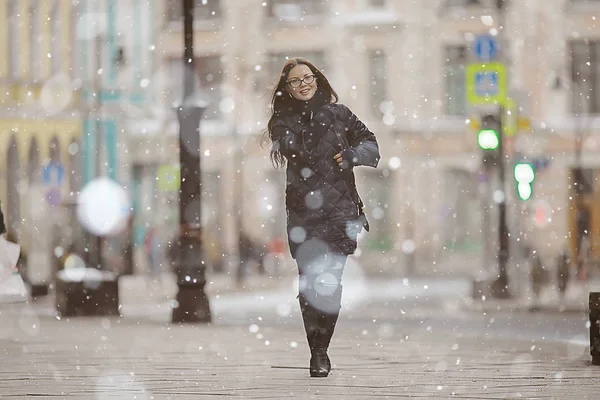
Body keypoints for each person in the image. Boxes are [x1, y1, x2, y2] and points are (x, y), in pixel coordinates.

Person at [264, 57, 380, 377]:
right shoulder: (284, 121)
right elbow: (299, 150)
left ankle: (320, 350)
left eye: (308, 78)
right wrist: (316, 113)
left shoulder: (340, 114)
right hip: (305, 216)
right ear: (287, 90)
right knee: (309, 285)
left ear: (317, 79)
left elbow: (371, 144)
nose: (303, 85)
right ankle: (315, 345)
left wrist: (354, 154)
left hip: (342, 212)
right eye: (295, 82)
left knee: (331, 283)